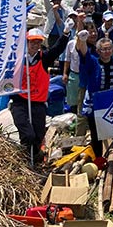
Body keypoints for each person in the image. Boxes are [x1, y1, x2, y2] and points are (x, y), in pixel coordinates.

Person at [11, 27, 68, 162]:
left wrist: (65, 34)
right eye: (32, 42)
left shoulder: (44, 58)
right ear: (26, 43)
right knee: (28, 135)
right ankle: (25, 158)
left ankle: (35, 158)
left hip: (37, 102)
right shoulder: (17, 59)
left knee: (38, 136)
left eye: (38, 42)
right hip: (20, 101)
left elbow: (57, 49)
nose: (35, 45)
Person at [77, 33, 113, 157]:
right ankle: (98, 161)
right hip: (95, 105)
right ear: (98, 51)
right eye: (103, 49)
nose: (107, 51)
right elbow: (84, 54)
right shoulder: (93, 63)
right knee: (96, 135)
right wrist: (82, 40)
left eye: (109, 48)